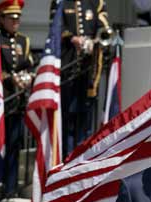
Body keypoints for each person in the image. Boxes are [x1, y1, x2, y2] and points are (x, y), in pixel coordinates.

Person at [50, 0, 111, 157]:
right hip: (69, 66)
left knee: (86, 117)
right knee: (68, 117)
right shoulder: (60, 2)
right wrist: (73, 39)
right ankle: (68, 157)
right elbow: (56, 28)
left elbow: (103, 26)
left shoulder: (96, 3)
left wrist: (94, 41)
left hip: (89, 69)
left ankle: (83, 158)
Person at [0, 0, 35, 198]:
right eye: (11, 18)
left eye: (18, 18)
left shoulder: (23, 41)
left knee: (14, 145)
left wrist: (28, 77)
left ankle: (10, 188)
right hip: (2, 99)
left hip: (17, 102)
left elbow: (28, 65)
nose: (15, 22)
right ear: (2, 19)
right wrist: (10, 78)